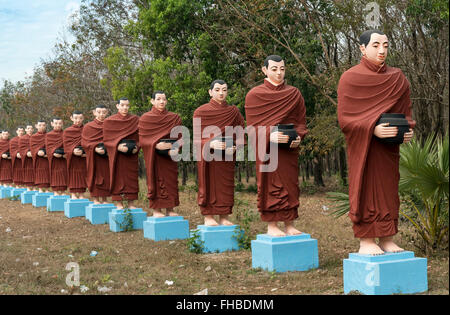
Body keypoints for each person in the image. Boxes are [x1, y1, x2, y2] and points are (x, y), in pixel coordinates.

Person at [337, 30, 415, 255]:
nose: (382, 50)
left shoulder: (397, 77)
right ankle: (367, 240)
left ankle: (388, 238)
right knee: (367, 190)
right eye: (375, 45)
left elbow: (404, 113)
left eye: (386, 45)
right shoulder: (350, 78)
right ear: (362, 48)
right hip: (365, 149)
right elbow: (345, 120)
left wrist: (406, 130)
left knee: (389, 190)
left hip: (388, 149)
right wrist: (373, 129)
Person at [245, 55, 308, 236]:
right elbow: (251, 129)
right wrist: (269, 135)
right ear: (264, 70)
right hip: (267, 151)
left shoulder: (294, 94)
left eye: (282, 69)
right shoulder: (255, 95)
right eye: (274, 69)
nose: (279, 73)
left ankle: (289, 224)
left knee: (290, 185)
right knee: (270, 185)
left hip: (288, 149)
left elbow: (301, 123)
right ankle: (272, 225)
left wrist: (299, 137)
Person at [194, 80, 245, 226]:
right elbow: (197, 139)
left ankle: (224, 217)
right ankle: (208, 216)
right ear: (210, 92)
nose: (221, 93)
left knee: (226, 186)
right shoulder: (200, 111)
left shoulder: (233, 112)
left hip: (226, 157)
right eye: (217, 90)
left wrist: (236, 146)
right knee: (209, 184)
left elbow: (241, 132)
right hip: (209, 158)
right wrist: (210, 143)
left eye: (224, 89)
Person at [139, 91, 182, 217]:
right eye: (158, 99)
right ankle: (156, 210)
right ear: (152, 101)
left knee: (171, 181)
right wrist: (155, 144)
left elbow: (180, 137)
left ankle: (170, 209)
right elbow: (142, 139)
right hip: (155, 157)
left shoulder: (174, 118)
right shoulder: (146, 118)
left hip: (169, 157)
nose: (162, 101)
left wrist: (174, 146)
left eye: (164, 99)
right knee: (155, 180)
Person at [103, 98, 140, 209]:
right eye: (122, 105)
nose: (125, 108)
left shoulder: (135, 120)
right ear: (117, 106)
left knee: (131, 178)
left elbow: (140, 136)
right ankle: (119, 203)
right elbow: (106, 140)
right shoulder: (109, 121)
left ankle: (131, 203)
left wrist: (137, 147)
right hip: (117, 156)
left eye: (127, 105)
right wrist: (117, 146)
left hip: (131, 155)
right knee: (117, 177)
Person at [81, 105, 111, 204]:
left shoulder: (111, 125)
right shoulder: (88, 126)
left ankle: (105, 199)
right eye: (99, 112)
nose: (101, 114)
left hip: (106, 157)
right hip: (94, 157)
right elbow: (84, 143)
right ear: (94, 112)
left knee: (107, 176)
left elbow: (113, 139)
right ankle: (95, 199)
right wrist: (94, 148)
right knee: (95, 176)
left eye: (103, 112)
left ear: (107, 113)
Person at [63, 111, 87, 199]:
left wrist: (85, 152)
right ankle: (73, 193)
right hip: (72, 158)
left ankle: (81, 193)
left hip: (83, 157)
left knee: (82, 174)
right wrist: (72, 150)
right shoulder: (67, 131)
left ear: (83, 118)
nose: (78, 120)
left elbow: (88, 142)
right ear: (71, 118)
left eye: (80, 118)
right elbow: (66, 145)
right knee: (73, 174)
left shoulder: (86, 129)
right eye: (76, 118)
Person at [46, 118, 68, 195]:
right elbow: (48, 148)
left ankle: (63, 191)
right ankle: (55, 191)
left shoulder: (66, 134)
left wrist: (66, 154)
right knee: (55, 174)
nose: (58, 125)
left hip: (63, 158)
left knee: (63, 173)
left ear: (62, 124)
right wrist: (52, 153)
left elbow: (68, 145)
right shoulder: (49, 135)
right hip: (54, 159)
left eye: (59, 123)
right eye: (56, 123)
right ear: (52, 123)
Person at [30, 120, 50, 192]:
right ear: (36, 126)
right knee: (40, 173)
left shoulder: (49, 135)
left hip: (47, 158)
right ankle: (40, 189)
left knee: (47, 173)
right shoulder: (33, 137)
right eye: (40, 125)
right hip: (38, 159)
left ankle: (47, 189)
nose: (42, 127)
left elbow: (51, 146)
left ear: (46, 126)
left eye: (43, 125)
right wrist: (37, 151)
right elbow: (32, 148)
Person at [19, 124, 35, 190]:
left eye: (31, 128)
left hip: (35, 158)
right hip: (27, 159)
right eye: (28, 128)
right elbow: (21, 148)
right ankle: (28, 188)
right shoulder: (22, 138)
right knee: (28, 173)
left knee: (34, 172)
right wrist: (26, 152)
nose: (30, 130)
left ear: (33, 130)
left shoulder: (35, 137)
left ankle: (34, 188)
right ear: (25, 130)